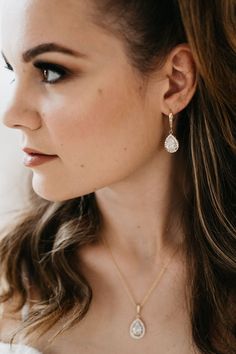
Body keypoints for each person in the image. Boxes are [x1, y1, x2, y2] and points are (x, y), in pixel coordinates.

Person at [0, 0, 235, 353]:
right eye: (10, 69)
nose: (11, 114)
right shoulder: (13, 283)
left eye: (51, 72)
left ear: (174, 83)